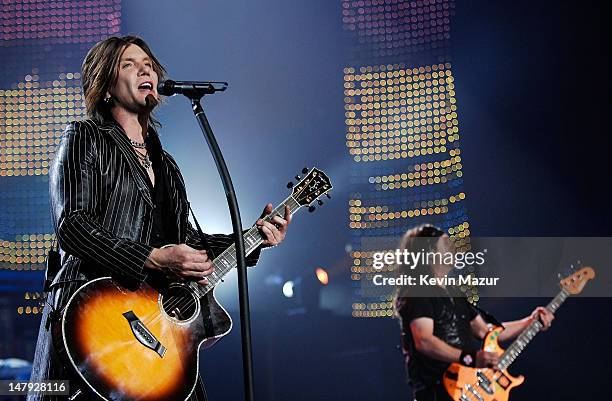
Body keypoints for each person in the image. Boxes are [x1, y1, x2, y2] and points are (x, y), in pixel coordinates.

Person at [28, 35, 291, 401]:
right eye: (129, 64)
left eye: (148, 64)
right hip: (92, 316)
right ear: (105, 85)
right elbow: (73, 226)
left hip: (155, 333)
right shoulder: (85, 137)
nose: (145, 69)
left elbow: (185, 241)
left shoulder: (167, 166)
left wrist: (254, 237)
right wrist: (151, 258)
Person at [394, 224, 554, 401]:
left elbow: (488, 332)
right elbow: (424, 341)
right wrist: (470, 358)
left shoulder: (454, 294)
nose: (452, 248)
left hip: (463, 388)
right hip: (436, 391)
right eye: (445, 244)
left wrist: (531, 321)